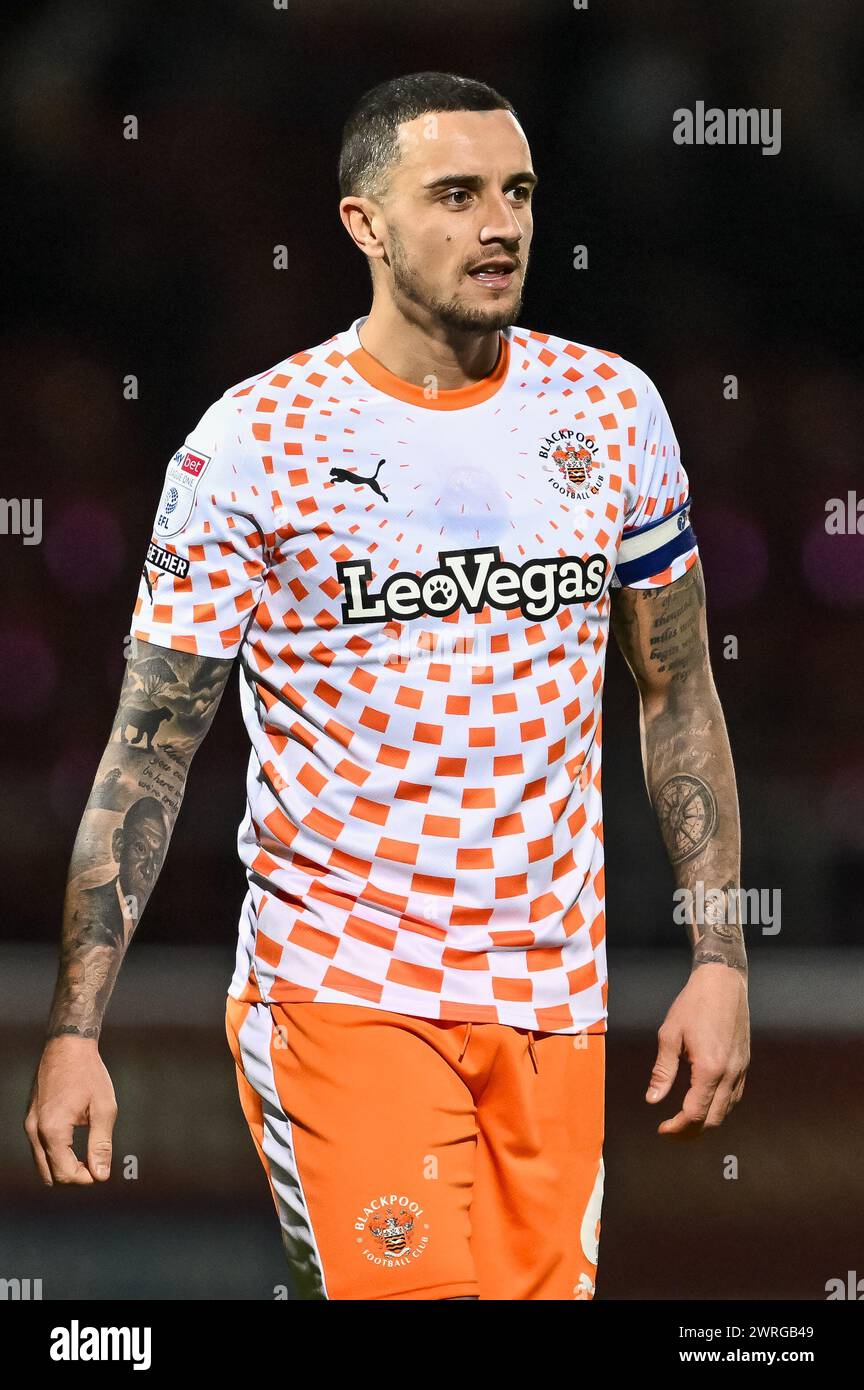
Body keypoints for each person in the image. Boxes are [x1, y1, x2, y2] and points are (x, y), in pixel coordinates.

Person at [25, 71, 749, 1301]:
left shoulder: (612, 411)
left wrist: (722, 956)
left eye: (517, 192)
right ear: (363, 223)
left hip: (552, 999)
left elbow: (676, 690)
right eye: (456, 195)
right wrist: (75, 1028)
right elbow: (150, 750)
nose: (500, 225)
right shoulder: (255, 442)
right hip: (341, 990)